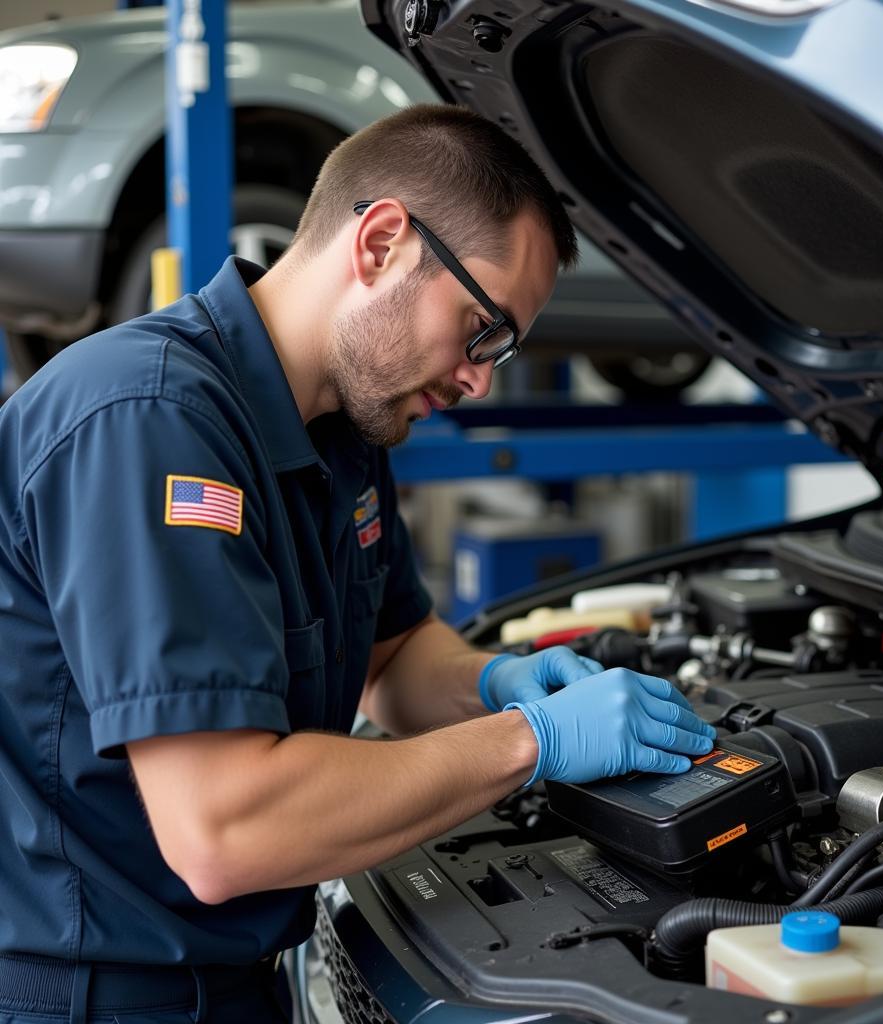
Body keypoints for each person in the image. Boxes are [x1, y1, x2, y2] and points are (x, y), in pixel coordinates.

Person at [0, 103, 715, 1023]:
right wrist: (532, 742)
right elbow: (225, 828)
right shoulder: (150, 423)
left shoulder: (342, 420)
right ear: (381, 242)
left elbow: (391, 656)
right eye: (481, 328)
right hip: (89, 998)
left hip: (226, 979)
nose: (479, 378)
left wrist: (497, 681)